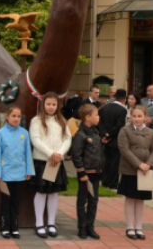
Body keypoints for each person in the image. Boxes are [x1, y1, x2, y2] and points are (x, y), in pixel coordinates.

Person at [29, 92, 72, 238]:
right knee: (41, 192)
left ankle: (51, 223)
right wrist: (50, 154)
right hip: (42, 161)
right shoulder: (36, 121)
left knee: (53, 193)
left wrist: (59, 154)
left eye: (54, 104)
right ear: (43, 104)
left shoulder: (62, 121)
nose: (51, 107)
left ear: (58, 105)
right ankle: (39, 223)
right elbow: (36, 140)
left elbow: (67, 138)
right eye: (48, 104)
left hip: (56, 162)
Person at [0, 106, 34, 239]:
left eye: (18, 116)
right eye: (13, 116)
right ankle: (5, 227)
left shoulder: (24, 133)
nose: (16, 118)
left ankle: (14, 227)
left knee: (16, 201)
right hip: (5, 174)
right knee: (6, 201)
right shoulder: (0, 134)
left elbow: (28, 153)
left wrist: (29, 170)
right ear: (7, 117)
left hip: (19, 173)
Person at [117, 105, 153, 240]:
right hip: (130, 169)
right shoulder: (124, 130)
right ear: (130, 117)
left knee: (141, 199)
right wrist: (139, 164)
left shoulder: (150, 132)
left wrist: (148, 164)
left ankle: (139, 227)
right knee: (130, 198)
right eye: (134, 116)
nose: (137, 119)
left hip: (145, 171)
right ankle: (130, 226)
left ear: (145, 117)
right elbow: (124, 150)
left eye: (140, 116)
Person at [71, 104, 101, 240]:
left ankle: (90, 226)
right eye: (96, 115)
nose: (98, 117)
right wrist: (82, 172)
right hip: (85, 173)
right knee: (82, 200)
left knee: (93, 200)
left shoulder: (95, 132)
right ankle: (82, 227)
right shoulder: (80, 134)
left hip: (95, 172)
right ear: (88, 117)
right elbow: (76, 155)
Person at [99, 89, 127, 189]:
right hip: (115, 140)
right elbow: (119, 126)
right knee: (115, 163)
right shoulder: (122, 110)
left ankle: (105, 181)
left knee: (106, 161)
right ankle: (113, 183)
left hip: (105, 140)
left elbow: (100, 123)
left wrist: (104, 135)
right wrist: (109, 135)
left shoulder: (105, 107)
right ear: (124, 99)